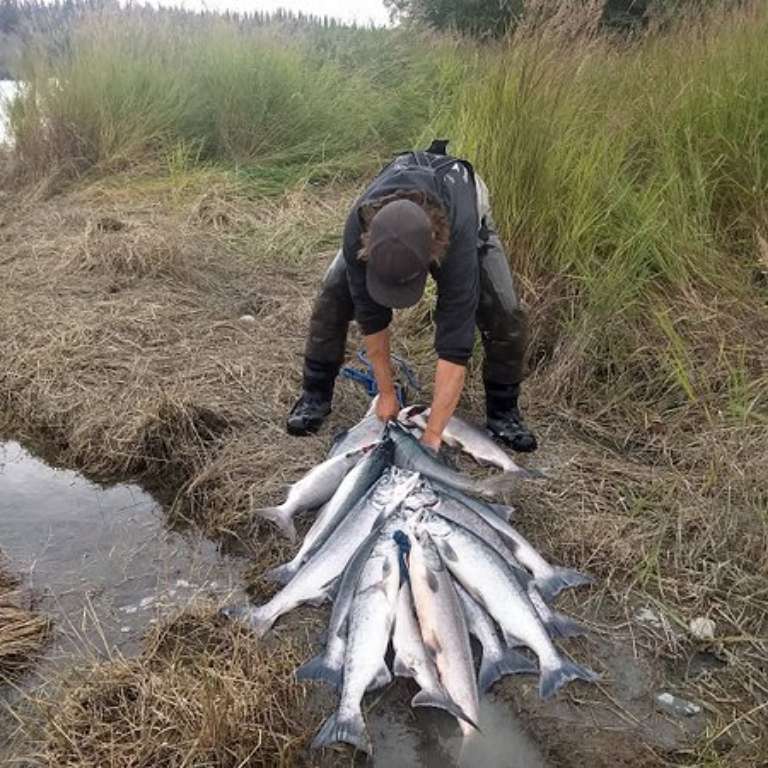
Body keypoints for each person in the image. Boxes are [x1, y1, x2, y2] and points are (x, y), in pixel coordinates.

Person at [286, 140, 537, 454]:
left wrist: (431, 438)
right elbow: (369, 313)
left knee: (504, 311)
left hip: (463, 205)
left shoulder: (457, 239)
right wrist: (386, 392)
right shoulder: (358, 225)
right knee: (333, 295)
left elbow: (455, 343)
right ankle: (314, 395)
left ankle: (504, 413)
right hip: (394, 199)